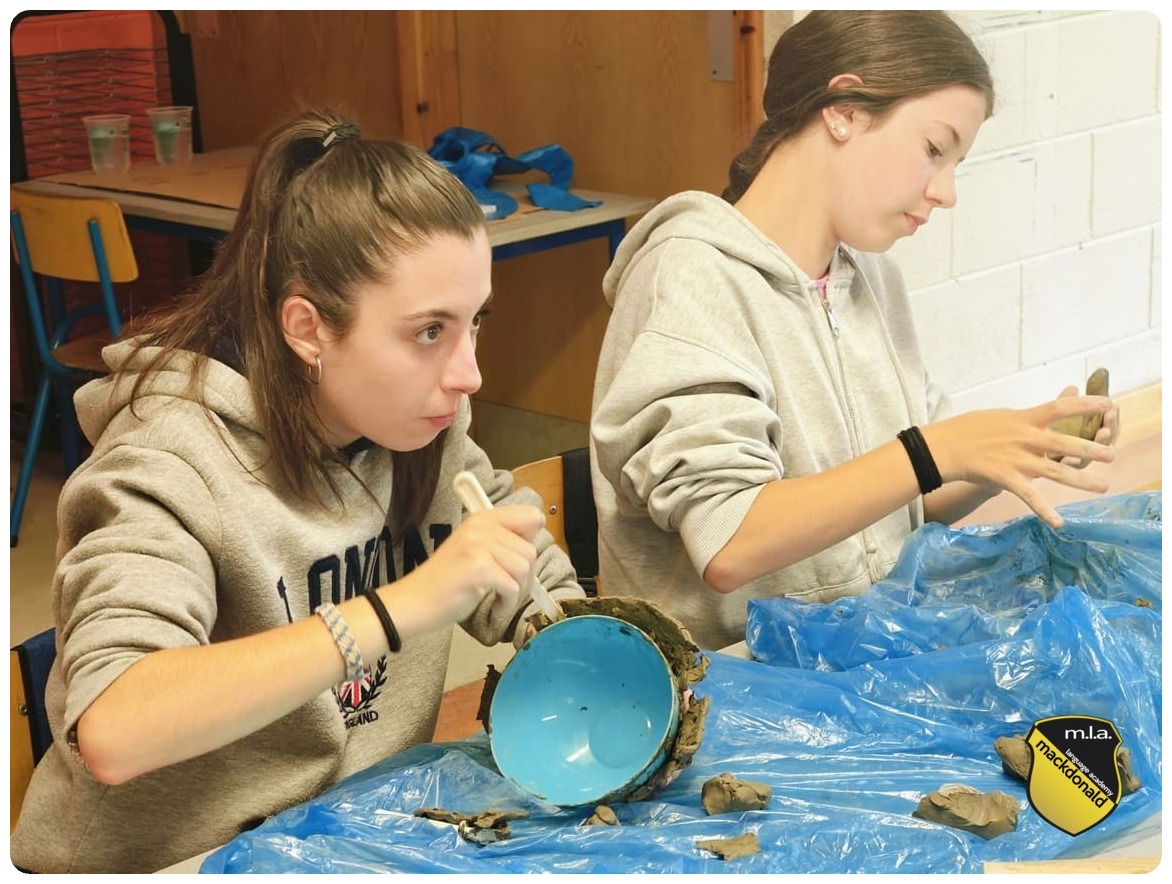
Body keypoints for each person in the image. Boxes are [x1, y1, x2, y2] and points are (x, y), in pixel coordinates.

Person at [10, 109, 585, 874]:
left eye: (474, 323)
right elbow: (115, 726)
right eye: (427, 332)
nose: (467, 372)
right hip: (175, 860)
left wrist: (587, 637)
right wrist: (403, 604)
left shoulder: (419, 422)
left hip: (344, 843)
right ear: (308, 329)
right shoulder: (168, 458)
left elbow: (524, 574)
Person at [589, 11, 1120, 651]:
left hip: (854, 658)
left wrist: (1012, 448)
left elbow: (901, 500)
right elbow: (728, 540)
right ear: (842, 110)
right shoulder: (689, 275)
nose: (947, 192)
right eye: (934, 149)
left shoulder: (869, 280)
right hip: (731, 692)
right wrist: (937, 448)